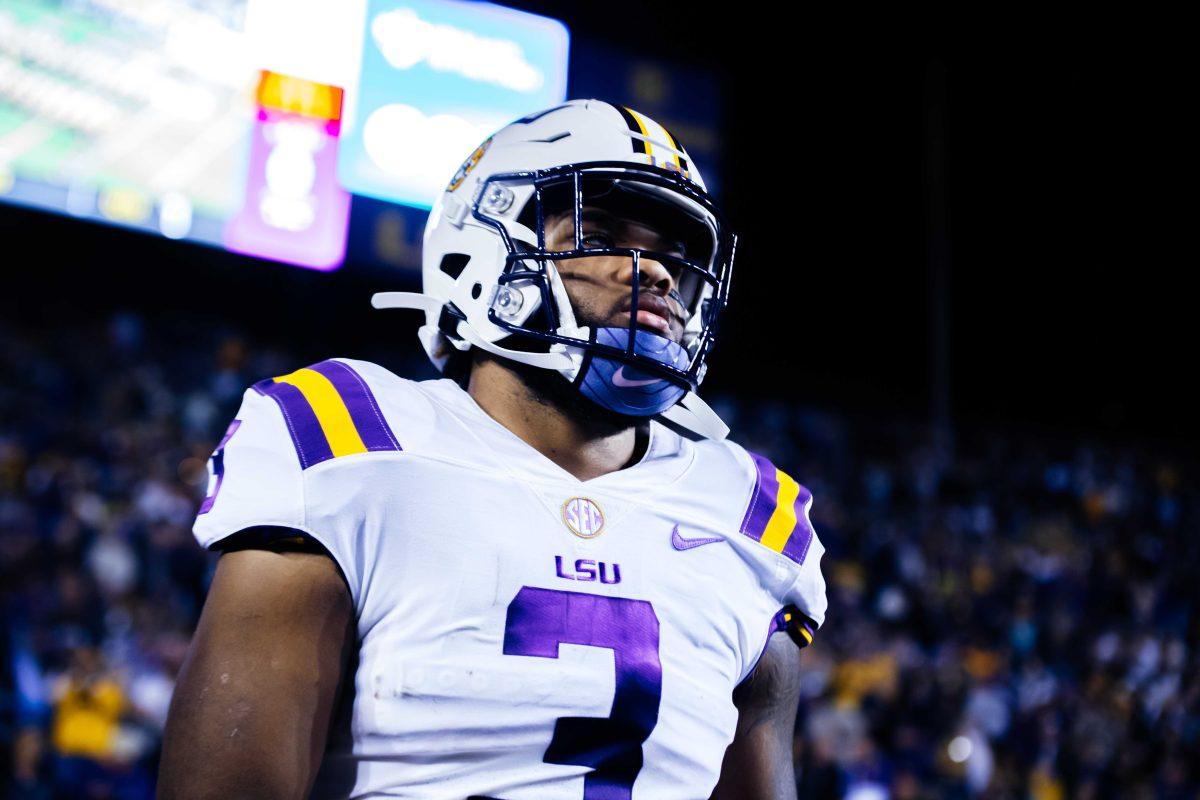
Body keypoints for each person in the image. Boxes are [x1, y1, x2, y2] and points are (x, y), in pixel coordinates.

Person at [158, 99, 828, 799]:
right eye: (599, 230)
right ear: (480, 251)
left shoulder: (755, 515)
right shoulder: (348, 437)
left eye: (671, 255)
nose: (655, 273)